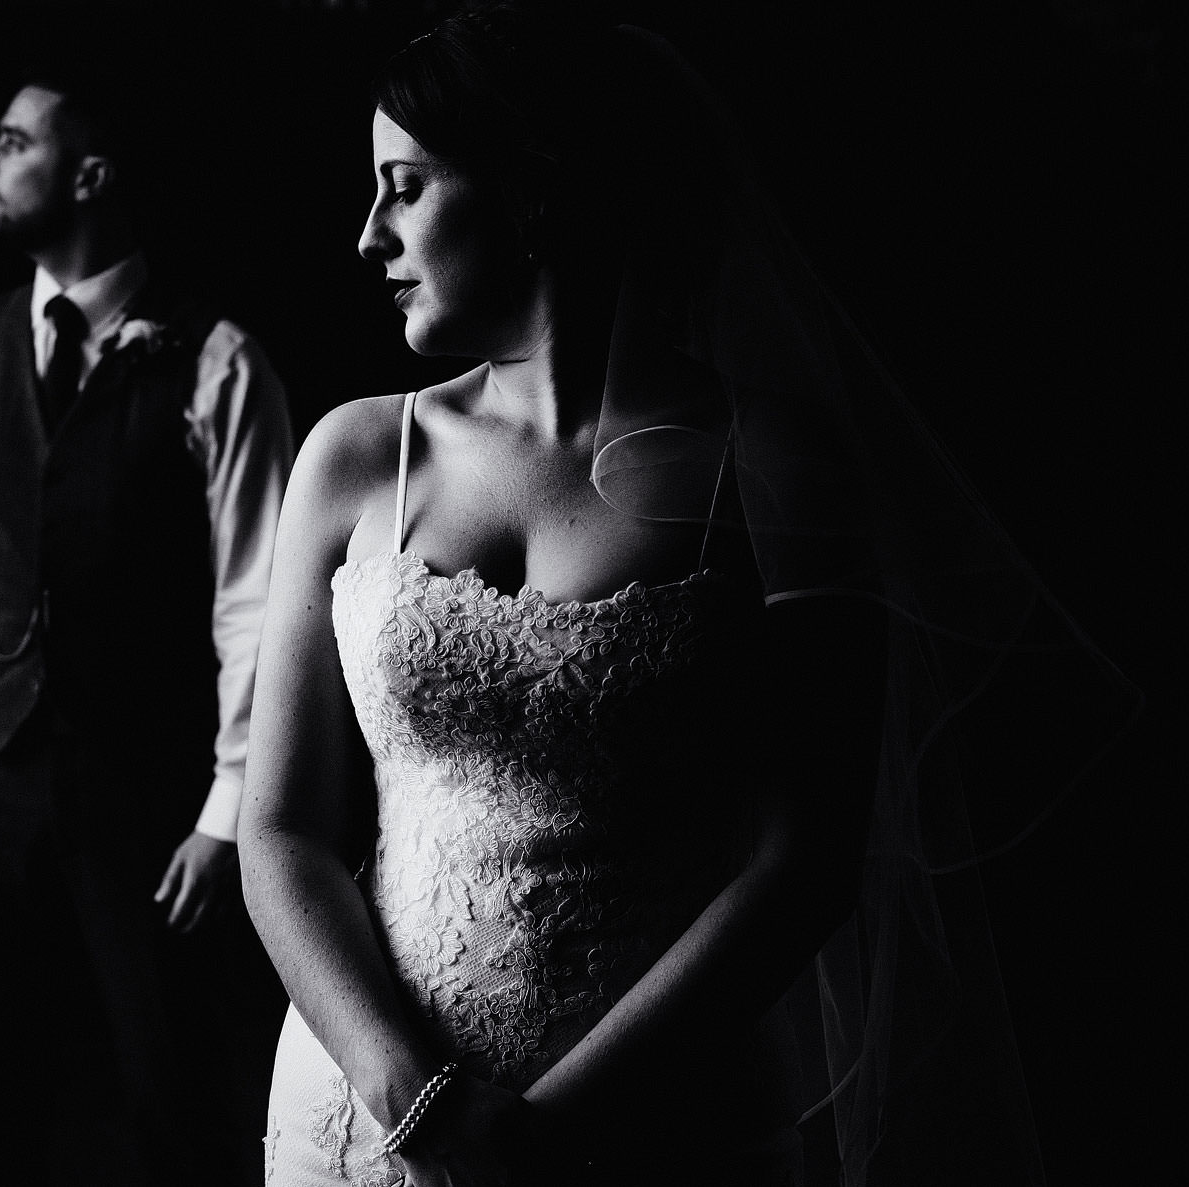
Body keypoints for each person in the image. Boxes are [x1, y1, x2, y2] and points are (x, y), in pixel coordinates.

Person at [238, 3, 1139, 1184]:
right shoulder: (356, 456)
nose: (368, 237)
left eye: (402, 185)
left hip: (650, 1125)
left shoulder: (768, 469)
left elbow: (806, 855)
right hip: (360, 1109)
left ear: (531, 189)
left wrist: (542, 1132)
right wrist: (412, 1095)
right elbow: (282, 828)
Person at [0, 51, 294, 1187]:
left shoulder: (219, 362)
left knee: (174, 1101)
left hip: (147, 805)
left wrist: (226, 806)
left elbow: (259, 601)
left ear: (90, 174)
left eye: (15, 141)